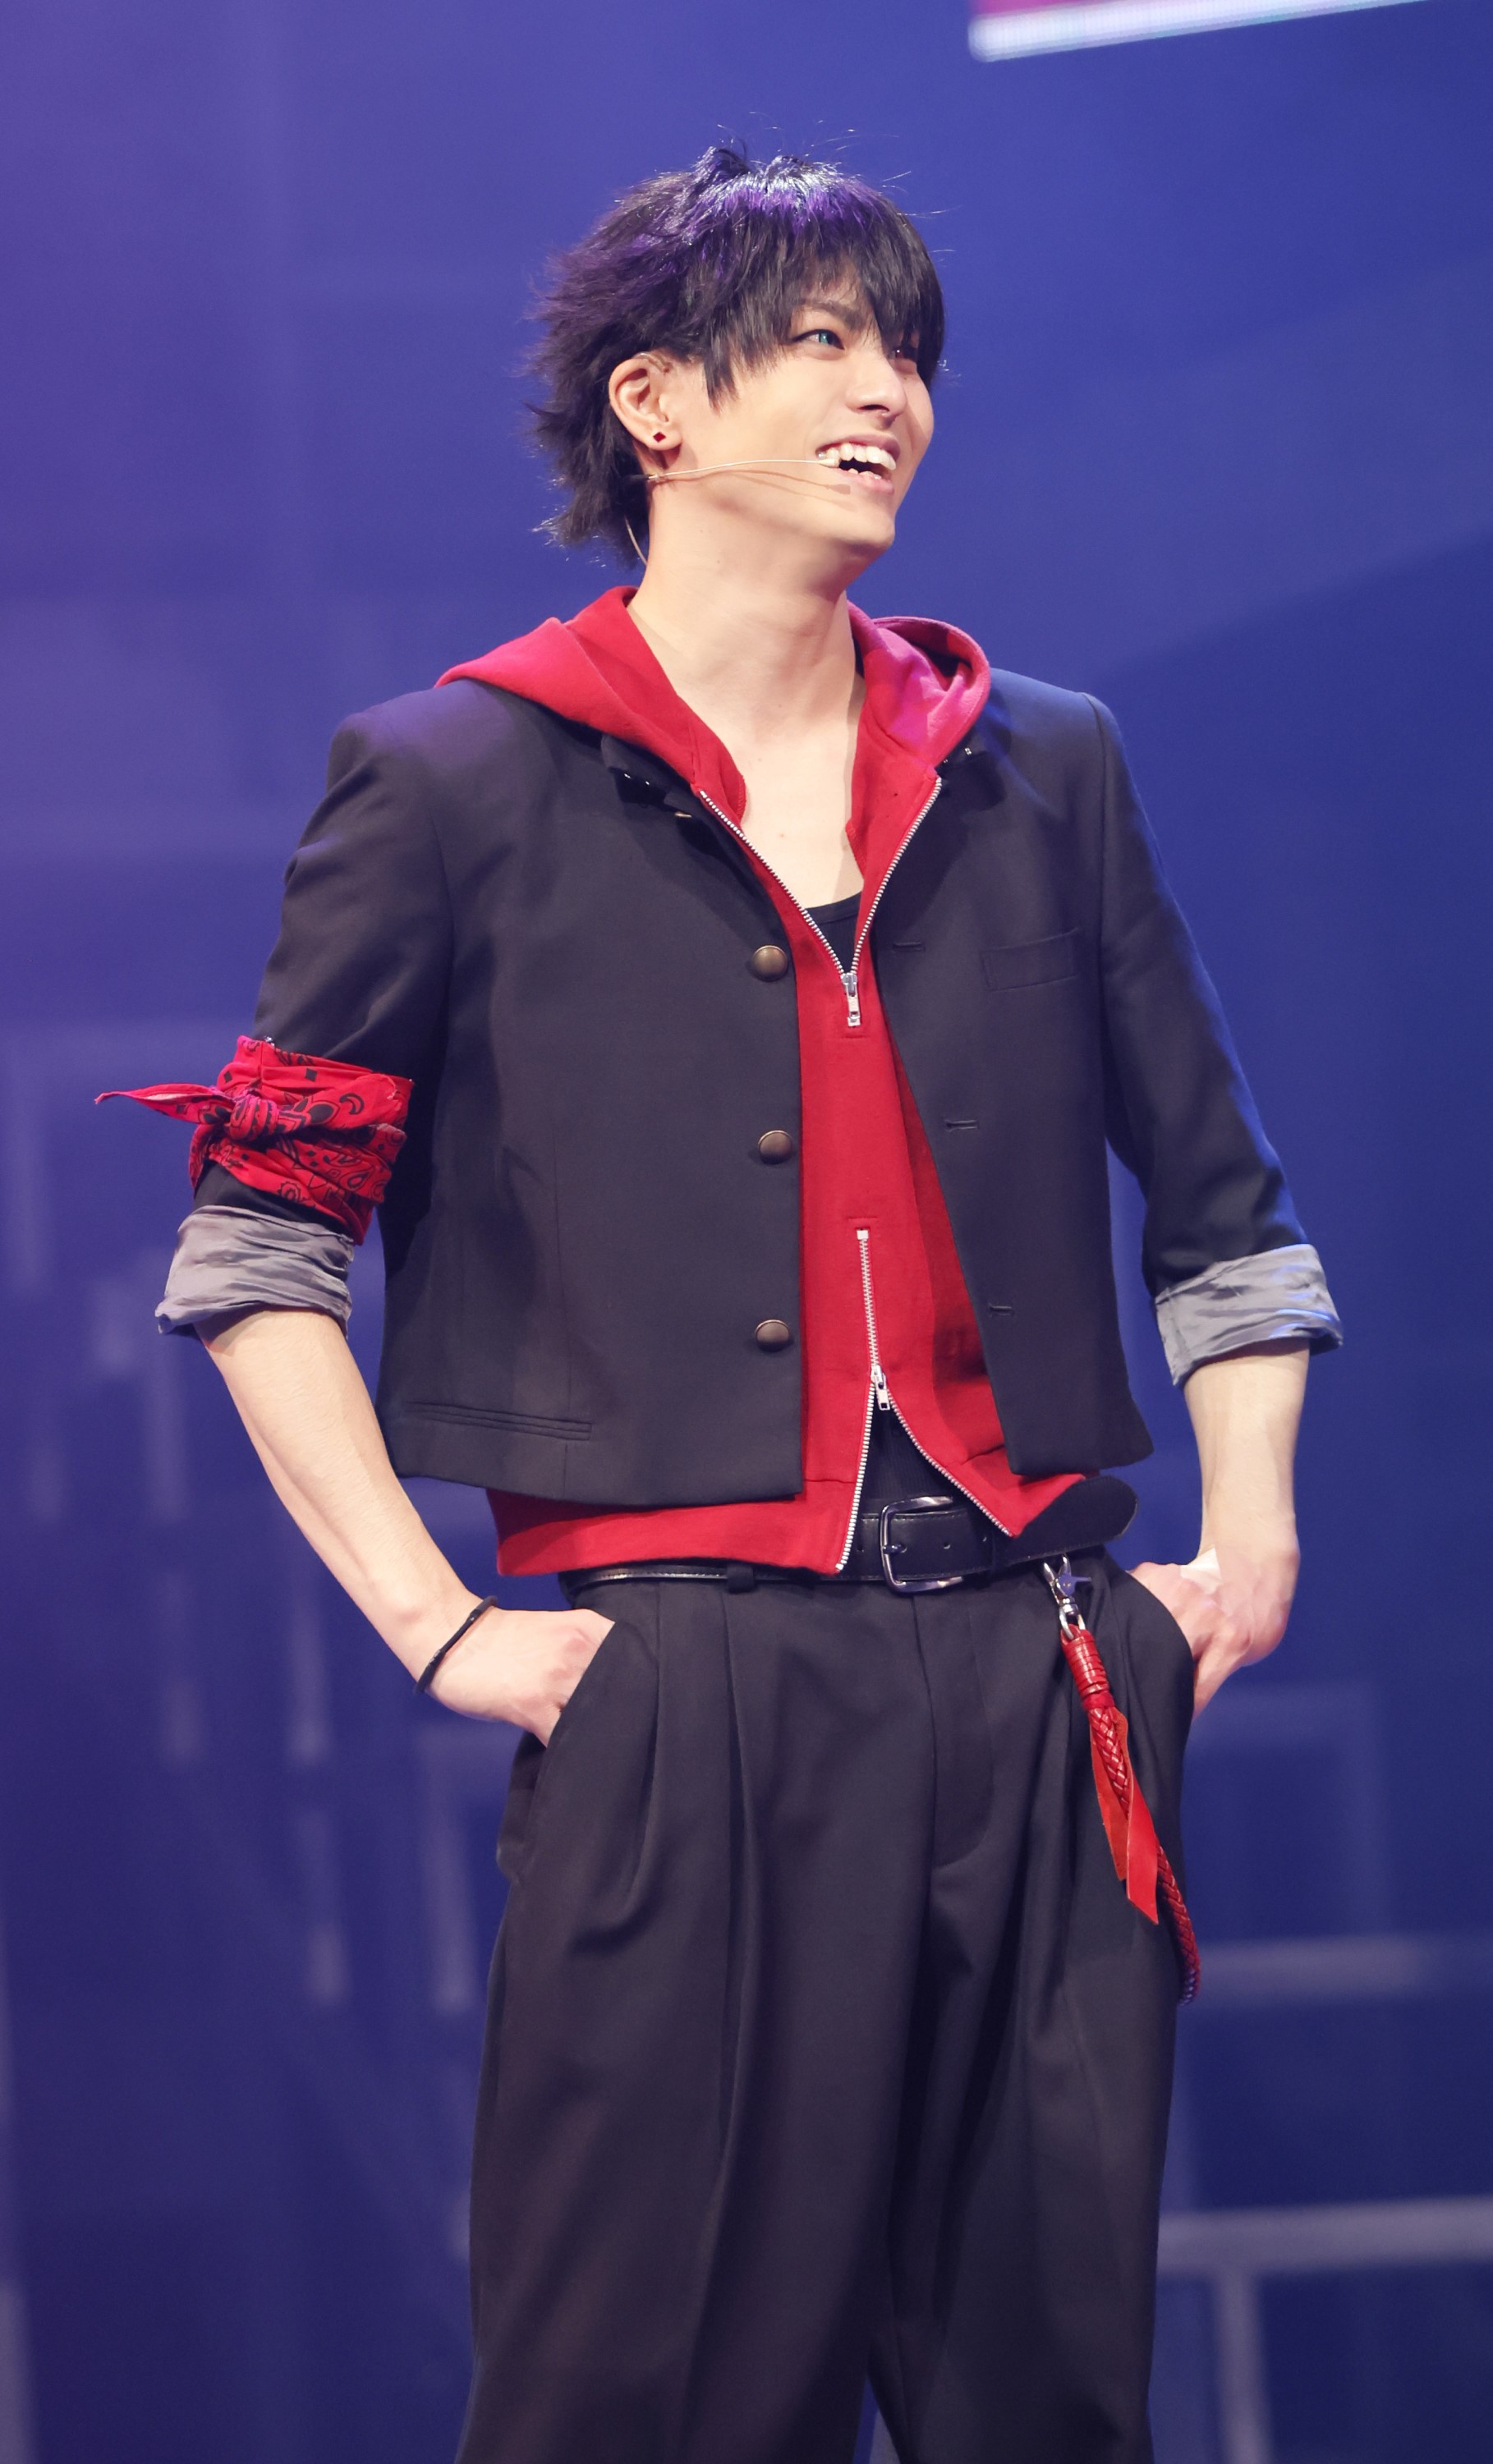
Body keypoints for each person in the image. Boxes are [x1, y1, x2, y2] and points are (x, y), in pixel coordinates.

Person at [111, 147, 1339, 2464]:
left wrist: (1245, 1550)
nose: (890, 394)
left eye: (910, 351)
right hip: (683, 1679)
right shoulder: (452, 778)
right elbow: (258, 1247)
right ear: (655, 404)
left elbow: (1225, 1207)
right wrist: (438, 1630)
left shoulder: (1039, 766)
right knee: (645, 2395)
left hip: (1045, 1661)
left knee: (1046, 2402)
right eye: (825, 342)